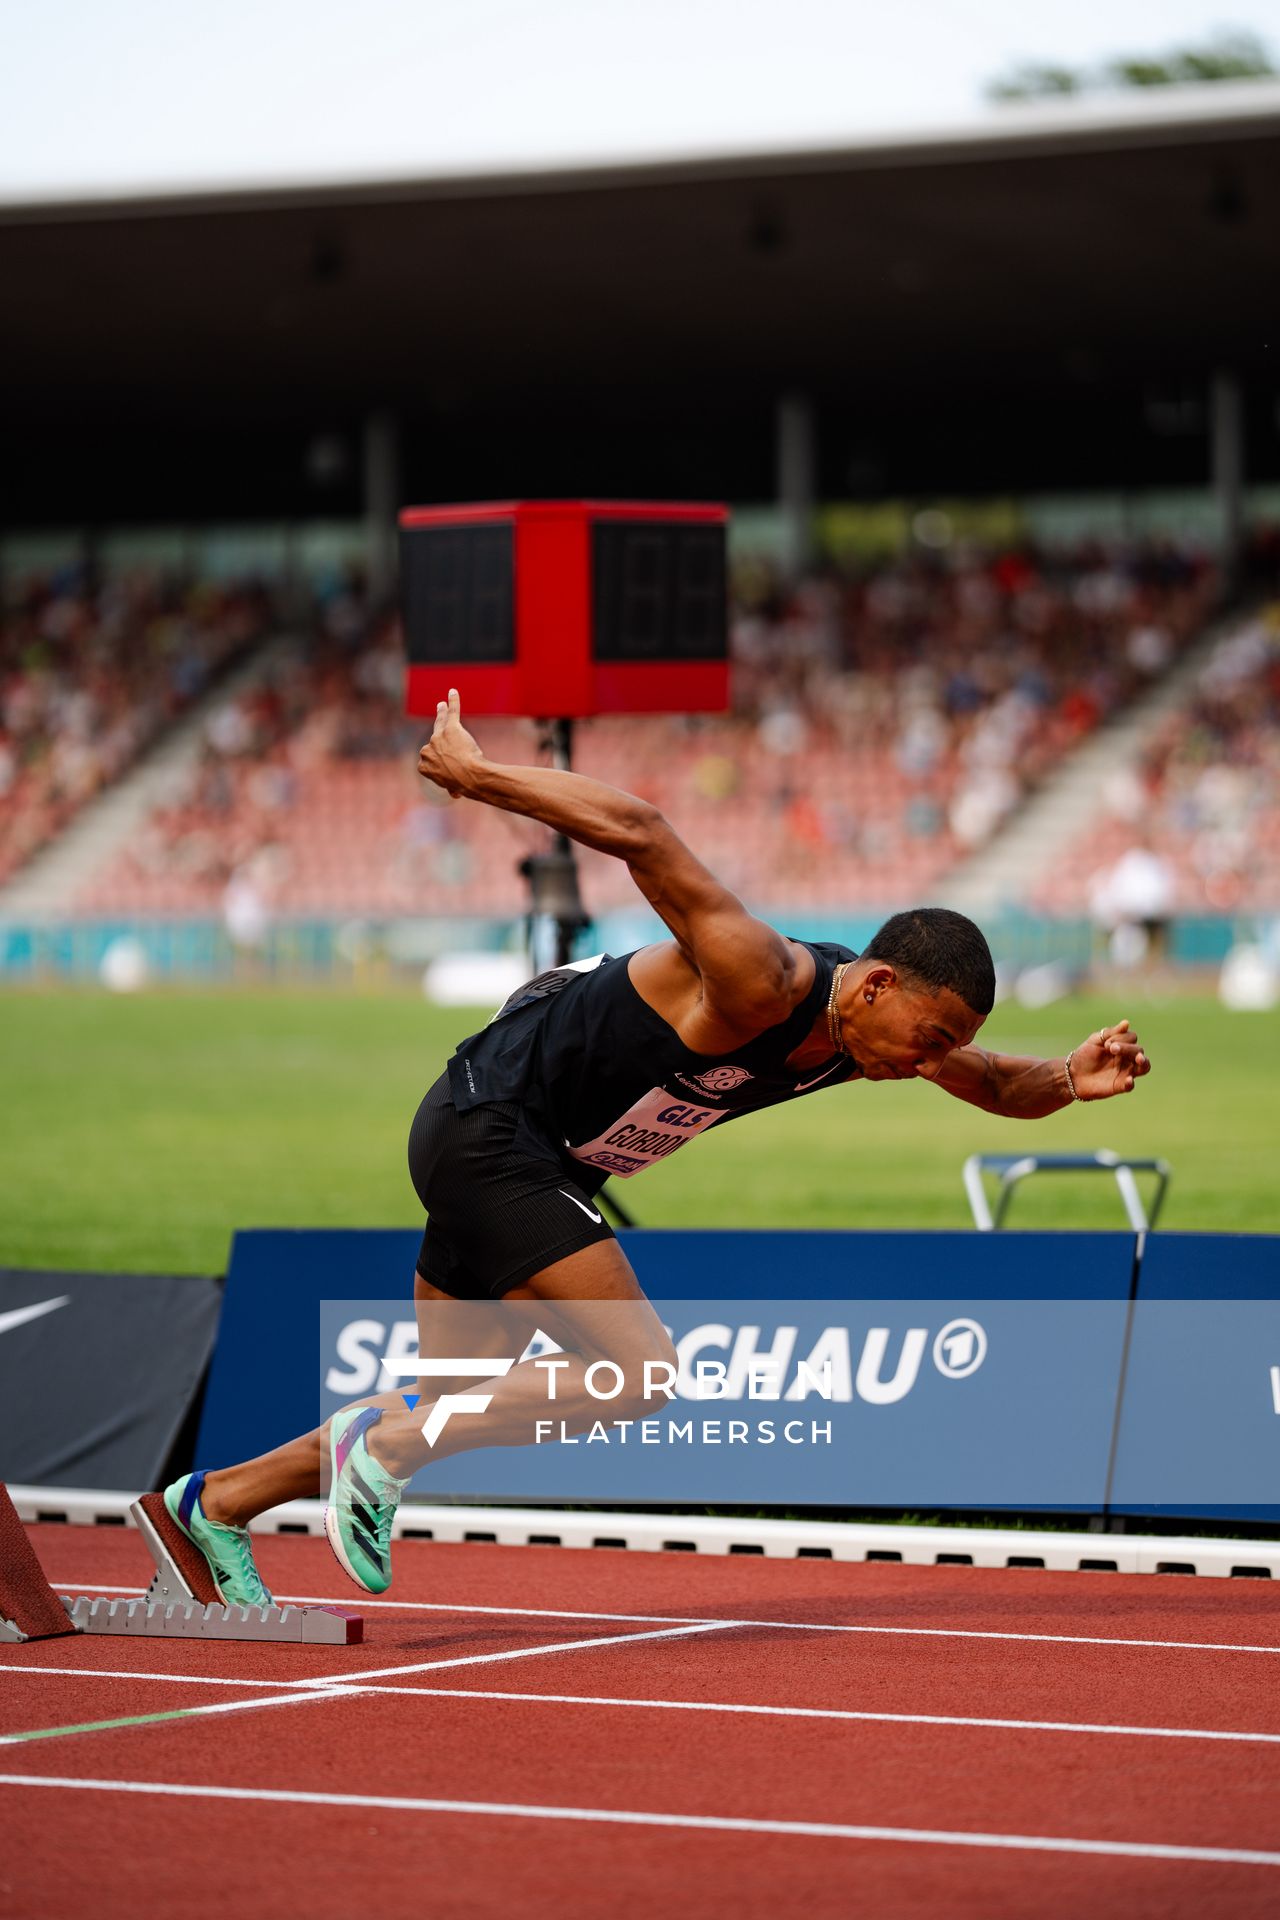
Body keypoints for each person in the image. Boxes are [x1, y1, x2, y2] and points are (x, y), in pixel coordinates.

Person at [163, 689, 1151, 1605]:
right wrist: (478, 777)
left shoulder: (870, 1044)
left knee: (447, 1403)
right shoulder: (762, 978)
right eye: (929, 1038)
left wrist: (1066, 1078)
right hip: (491, 1126)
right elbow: (642, 831)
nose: (930, 1063)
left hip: (537, 1156)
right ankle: (372, 1460)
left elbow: (988, 1081)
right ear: (879, 983)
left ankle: (213, 1505)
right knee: (636, 1376)